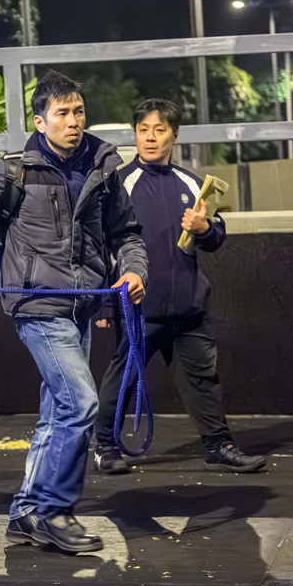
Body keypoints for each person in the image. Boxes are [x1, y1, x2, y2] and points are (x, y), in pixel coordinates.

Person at [0, 70, 147, 555]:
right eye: (62, 113)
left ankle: (25, 514)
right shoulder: (12, 170)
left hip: (83, 303)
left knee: (57, 413)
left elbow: (127, 233)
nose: (73, 121)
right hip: (36, 304)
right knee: (81, 405)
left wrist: (133, 270)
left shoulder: (104, 166)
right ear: (40, 121)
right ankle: (55, 512)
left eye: (78, 111)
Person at [94, 99, 265, 474]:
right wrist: (107, 307)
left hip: (188, 307)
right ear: (135, 134)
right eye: (143, 130)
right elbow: (105, 248)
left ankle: (218, 446)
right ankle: (105, 446)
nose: (150, 138)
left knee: (203, 380)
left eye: (159, 130)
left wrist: (206, 229)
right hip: (139, 305)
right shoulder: (120, 185)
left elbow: (215, 238)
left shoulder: (191, 184)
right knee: (124, 377)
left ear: (174, 135)